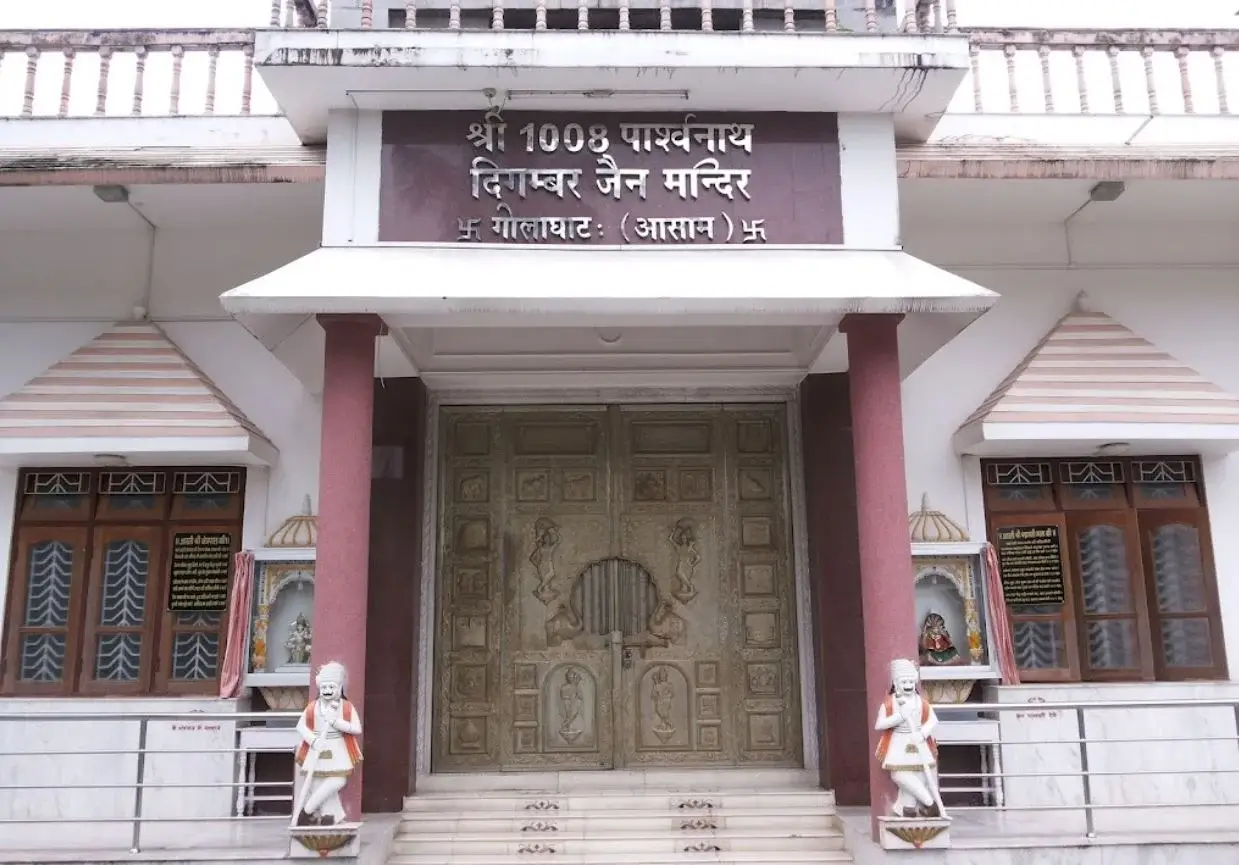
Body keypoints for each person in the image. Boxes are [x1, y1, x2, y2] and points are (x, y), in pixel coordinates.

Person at [873, 658, 947, 819]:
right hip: (899, 741)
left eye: (910, 681)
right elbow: (879, 724)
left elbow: (933, 720)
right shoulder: (890, 703)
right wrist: (899, 716)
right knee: (899, 775)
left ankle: (908, 809)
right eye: (904, 681)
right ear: (897, 684)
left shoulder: (920, 702)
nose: (908, 684)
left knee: (920, 776)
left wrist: (922, 734)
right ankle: (929, 803)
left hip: (918, 740)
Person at [293, 661, 363, 826]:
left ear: (339, 688)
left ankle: (307, 810)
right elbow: (300, 726)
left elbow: (356, 728)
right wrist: (313, 740)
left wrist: (337, 722)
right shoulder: (313, 707)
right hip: (317, 746)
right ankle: (328, 817)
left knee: (338, 780)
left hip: (337, 747)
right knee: (317, 783)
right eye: (324, 688)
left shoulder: (345, 707)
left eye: (331, 687)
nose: (327, 691)